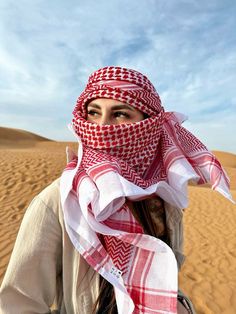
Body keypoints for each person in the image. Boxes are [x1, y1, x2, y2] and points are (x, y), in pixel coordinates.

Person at [0, 66, 232, 314]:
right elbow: (18, 305)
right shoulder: (58, 201)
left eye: (120, 114)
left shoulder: (164, 200)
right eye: (93, 112)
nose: (102, 127)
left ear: (149, 125)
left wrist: (183, 306)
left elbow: (165, 277)